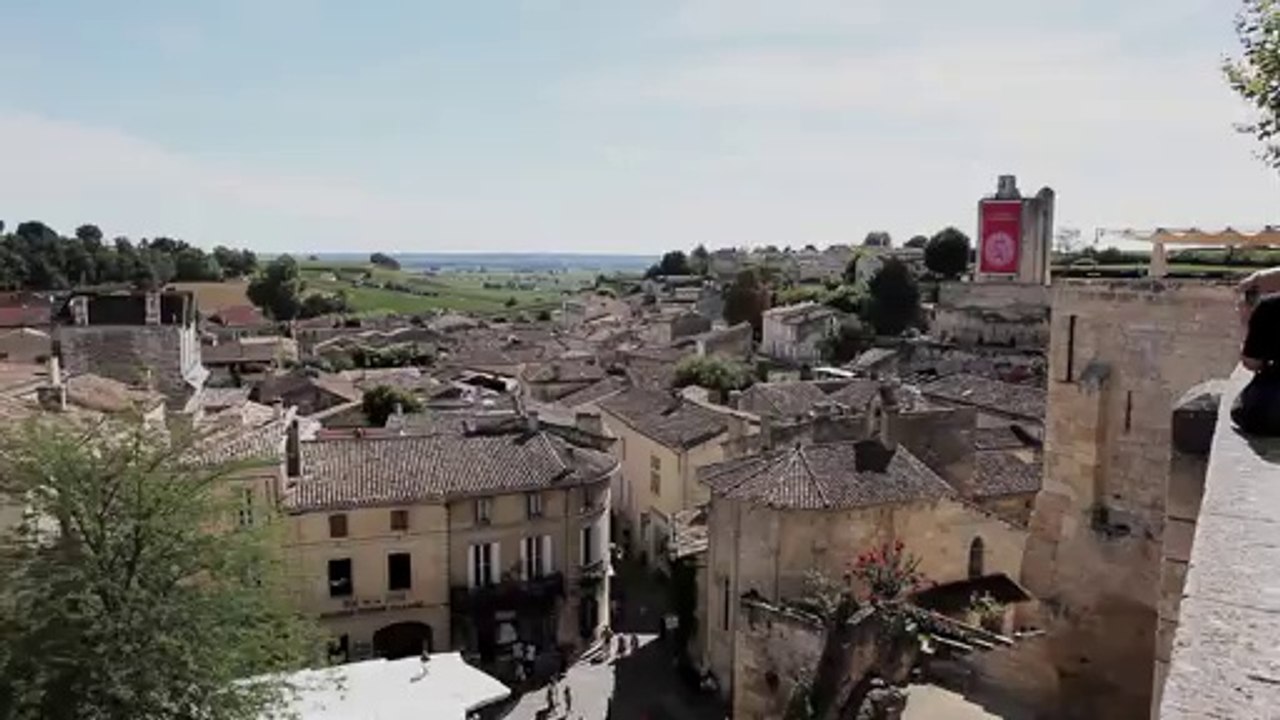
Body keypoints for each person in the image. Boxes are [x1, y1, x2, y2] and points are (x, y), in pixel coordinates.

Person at [1233, 284, 1280, 435]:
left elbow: (1251, 362)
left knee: (1243, 409)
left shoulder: (1269, 306)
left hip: (1271, 412)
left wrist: (1247, 327)